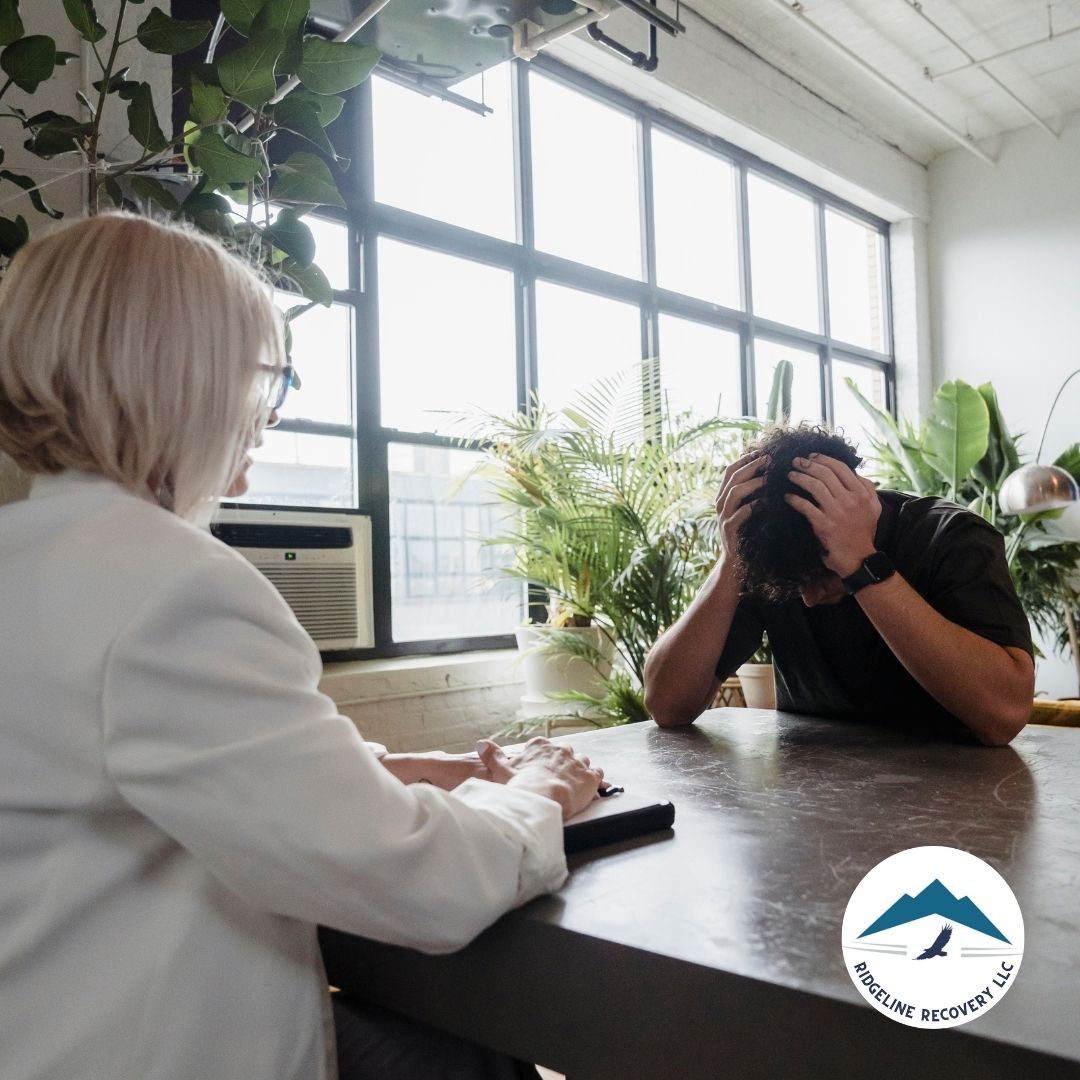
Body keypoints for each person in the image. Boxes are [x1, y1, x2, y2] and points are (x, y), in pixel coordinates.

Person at [0, 213, 605, 1080]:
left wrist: (408, 764)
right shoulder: (174, 586)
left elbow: (132, 761)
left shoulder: (30, 556)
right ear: (190, 379)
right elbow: (419, 885)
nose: (268, 416)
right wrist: (539, 792)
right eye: (265, 379)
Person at [643, 425, 1035, 746]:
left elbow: (1005, 715)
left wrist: (862, 565)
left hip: (962, 800)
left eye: (822, 574)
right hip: (816, 807)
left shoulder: (951, 538)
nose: (808, 599)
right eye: (795, 585)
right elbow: (667, 706)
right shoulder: (775, 551)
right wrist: (734, 559)